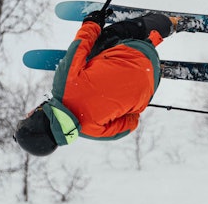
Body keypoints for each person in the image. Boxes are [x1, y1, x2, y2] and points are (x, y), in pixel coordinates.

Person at [14, 9, 178, 156]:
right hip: (137, 50)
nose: (29, 113)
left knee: (126, 82)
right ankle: (165, 23)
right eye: (28, 117)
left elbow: (131, 123)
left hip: (151, 81)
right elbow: (81, 45)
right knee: (104, 40)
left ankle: (154, 66)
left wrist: (125, 103)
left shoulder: (92, 132)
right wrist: (93, 22)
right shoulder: (62, 86)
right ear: (37, 120)